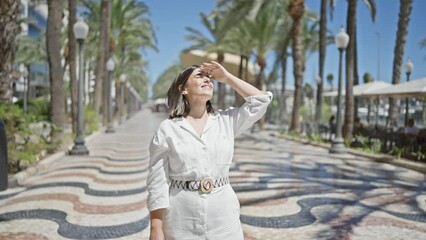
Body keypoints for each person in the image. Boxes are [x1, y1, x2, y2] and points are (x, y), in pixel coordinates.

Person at [146, 61, 272, 239]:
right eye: (199, 76)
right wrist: (156, 229)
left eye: (209, 77)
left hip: (224, 218)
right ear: (183, 89)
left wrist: (226, 78)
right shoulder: (167, 129)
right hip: (181, 219)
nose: (207, 80)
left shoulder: (226, 121)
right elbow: (157, 182)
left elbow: (261, 100)